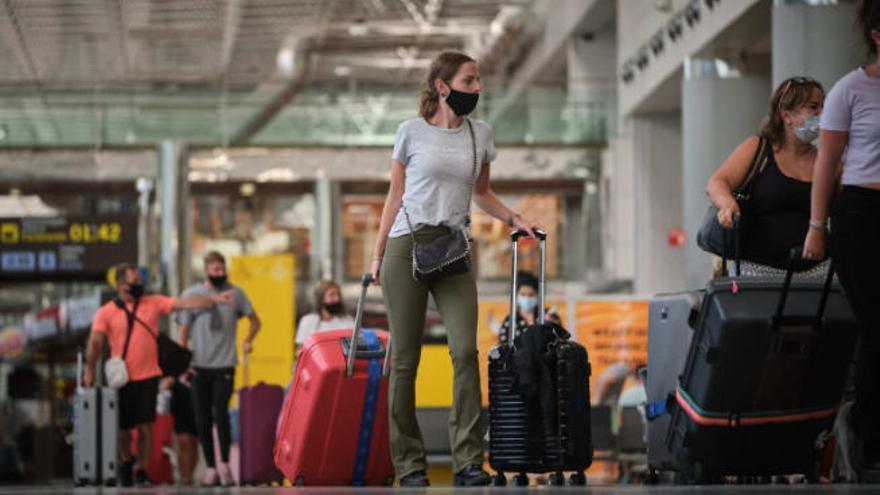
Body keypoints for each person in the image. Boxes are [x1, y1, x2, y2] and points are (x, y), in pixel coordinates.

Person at [369, 51, 540, 487]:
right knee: (404, 360)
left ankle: (467, 460)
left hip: (454, 247)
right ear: (443, 87)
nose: (477, 88)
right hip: (405, 244)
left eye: (479, 80)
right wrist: (375, 255)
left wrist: (513, 218)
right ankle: (409, 465)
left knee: (465, 352)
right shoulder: (409, 132)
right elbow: (394, 196)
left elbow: (481, 192)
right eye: (469, 80)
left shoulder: (480, 135)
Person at [803, 0, 880, 473]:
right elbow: (827, 165)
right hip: (861, 213)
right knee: (876, 325)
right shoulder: (851, 89)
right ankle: (868, 437)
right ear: (876, 34)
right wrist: (817, 227)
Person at [83, 263, 233, 487]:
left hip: (149, 375)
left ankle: (141, 468)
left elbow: (183, 303)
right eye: (134, 282)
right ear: (121, 285)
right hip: (121, 378)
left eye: (140, 281)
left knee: (146, 425)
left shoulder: (152, 303)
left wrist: (213, 300)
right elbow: (95, 342)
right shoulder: (106, 312)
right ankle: (126, 458)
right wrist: (90, 368)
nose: (138, 285)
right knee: (122, 428)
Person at [706, 76, 832, 278]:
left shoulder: (827, 160)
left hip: (818, 273)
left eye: (824, 106)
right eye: (813, 107)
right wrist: (727, 204)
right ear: (786, 115)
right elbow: (717, 182)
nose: (823, 113)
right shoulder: (758, 148)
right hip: (758, 273)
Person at [177, 251, 260, 486]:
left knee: (221, 411)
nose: (220, 274)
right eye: (215, 270)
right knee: (202, 417)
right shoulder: (191, 295)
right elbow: (182, 331)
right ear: (205, 270)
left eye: (222, 269)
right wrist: (184, 363)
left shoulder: (236, 293)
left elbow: (255, 321)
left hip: (225, 363)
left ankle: (225, 465)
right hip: (198, 366)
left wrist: (248, 340)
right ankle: (210, 468)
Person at [497, 271, 561, 346]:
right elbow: (503, 347)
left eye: (531, 295)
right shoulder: (510, 321)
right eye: (523, 294)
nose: (526, 298)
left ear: (537, 295)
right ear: (517, 295)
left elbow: (559, 340)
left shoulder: (548, 315)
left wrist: (551, 325)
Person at [294, 280, 355, 347]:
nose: (337, 299)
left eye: (338, 295)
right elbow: (301, 351)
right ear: (320, 298)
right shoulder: (307, 321)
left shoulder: (348, 321)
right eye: (332, 295)